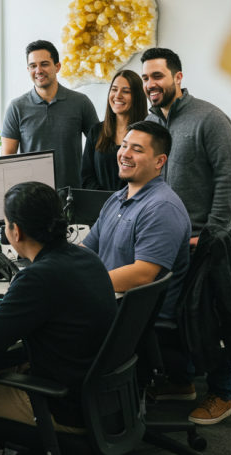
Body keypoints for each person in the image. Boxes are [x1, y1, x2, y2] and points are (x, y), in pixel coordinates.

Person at [0, 181, 117, 436]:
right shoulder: (87, 258)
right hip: (99, 397)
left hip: (64, 406)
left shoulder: (37, 278)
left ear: (15, 232)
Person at [141, 48, 231, 425]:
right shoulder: (149, 125)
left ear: (178, 78)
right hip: (164, 242)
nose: (151, 84)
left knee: (208, 322)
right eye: (146, 78)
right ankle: (182, 382)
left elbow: (228, 180)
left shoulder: (209, 119)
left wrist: (211, 235)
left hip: (202, 242)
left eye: (158, 76)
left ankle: (222, 393)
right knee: (166, 317)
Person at [80, 121, 190, 320]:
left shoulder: (162, 207)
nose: (125, 154)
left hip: (138, 321)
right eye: (123, 145)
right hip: (109, 304)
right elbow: (85, 249)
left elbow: (142, 275)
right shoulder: (117, 198)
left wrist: (84, 282)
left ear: (159, 161)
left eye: (136, 149)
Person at [2, 40, 99, 190]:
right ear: (28, 69)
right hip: (32, 197)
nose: (39, 70)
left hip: (73, 196)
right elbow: (8, 161)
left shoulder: (81, 102)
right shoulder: (16, 108)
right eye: (33, 66)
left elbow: (99, 147)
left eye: (44, 64)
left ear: (57, 66)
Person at [80, 70, 148, 191]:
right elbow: (87, 177)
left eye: (126, 91)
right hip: (102, 206)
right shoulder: (96, 131)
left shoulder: (148, 133)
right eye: (114, 89)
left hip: (137, 206)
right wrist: (108, 201)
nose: (118, 95)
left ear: (137, 97)